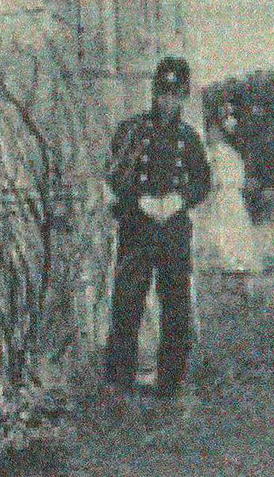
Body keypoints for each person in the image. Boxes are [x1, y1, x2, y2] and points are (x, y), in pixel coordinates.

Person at [104, 55, 213, 397]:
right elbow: (116, 175)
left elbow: (202, 181)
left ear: (184, 96)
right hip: (137, 228)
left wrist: (181, 200)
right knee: (128, 300)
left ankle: (171, 378)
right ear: (153, 93)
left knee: (176, 302)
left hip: (174, 230)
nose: (168, 102)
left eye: (176, 94)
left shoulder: (190, 138)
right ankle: (119, 378)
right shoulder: (132, 131)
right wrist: (139, 200)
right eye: (163, 94)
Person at [197, 104, 260, 272]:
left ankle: (236, 259)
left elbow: (235, 177)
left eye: (214, 132)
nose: (211, 135)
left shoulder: (228, 152)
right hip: (221, 194)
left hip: (230, 194)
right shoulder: (214, 152)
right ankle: (223, 258)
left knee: (233, 224)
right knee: (219, 225)